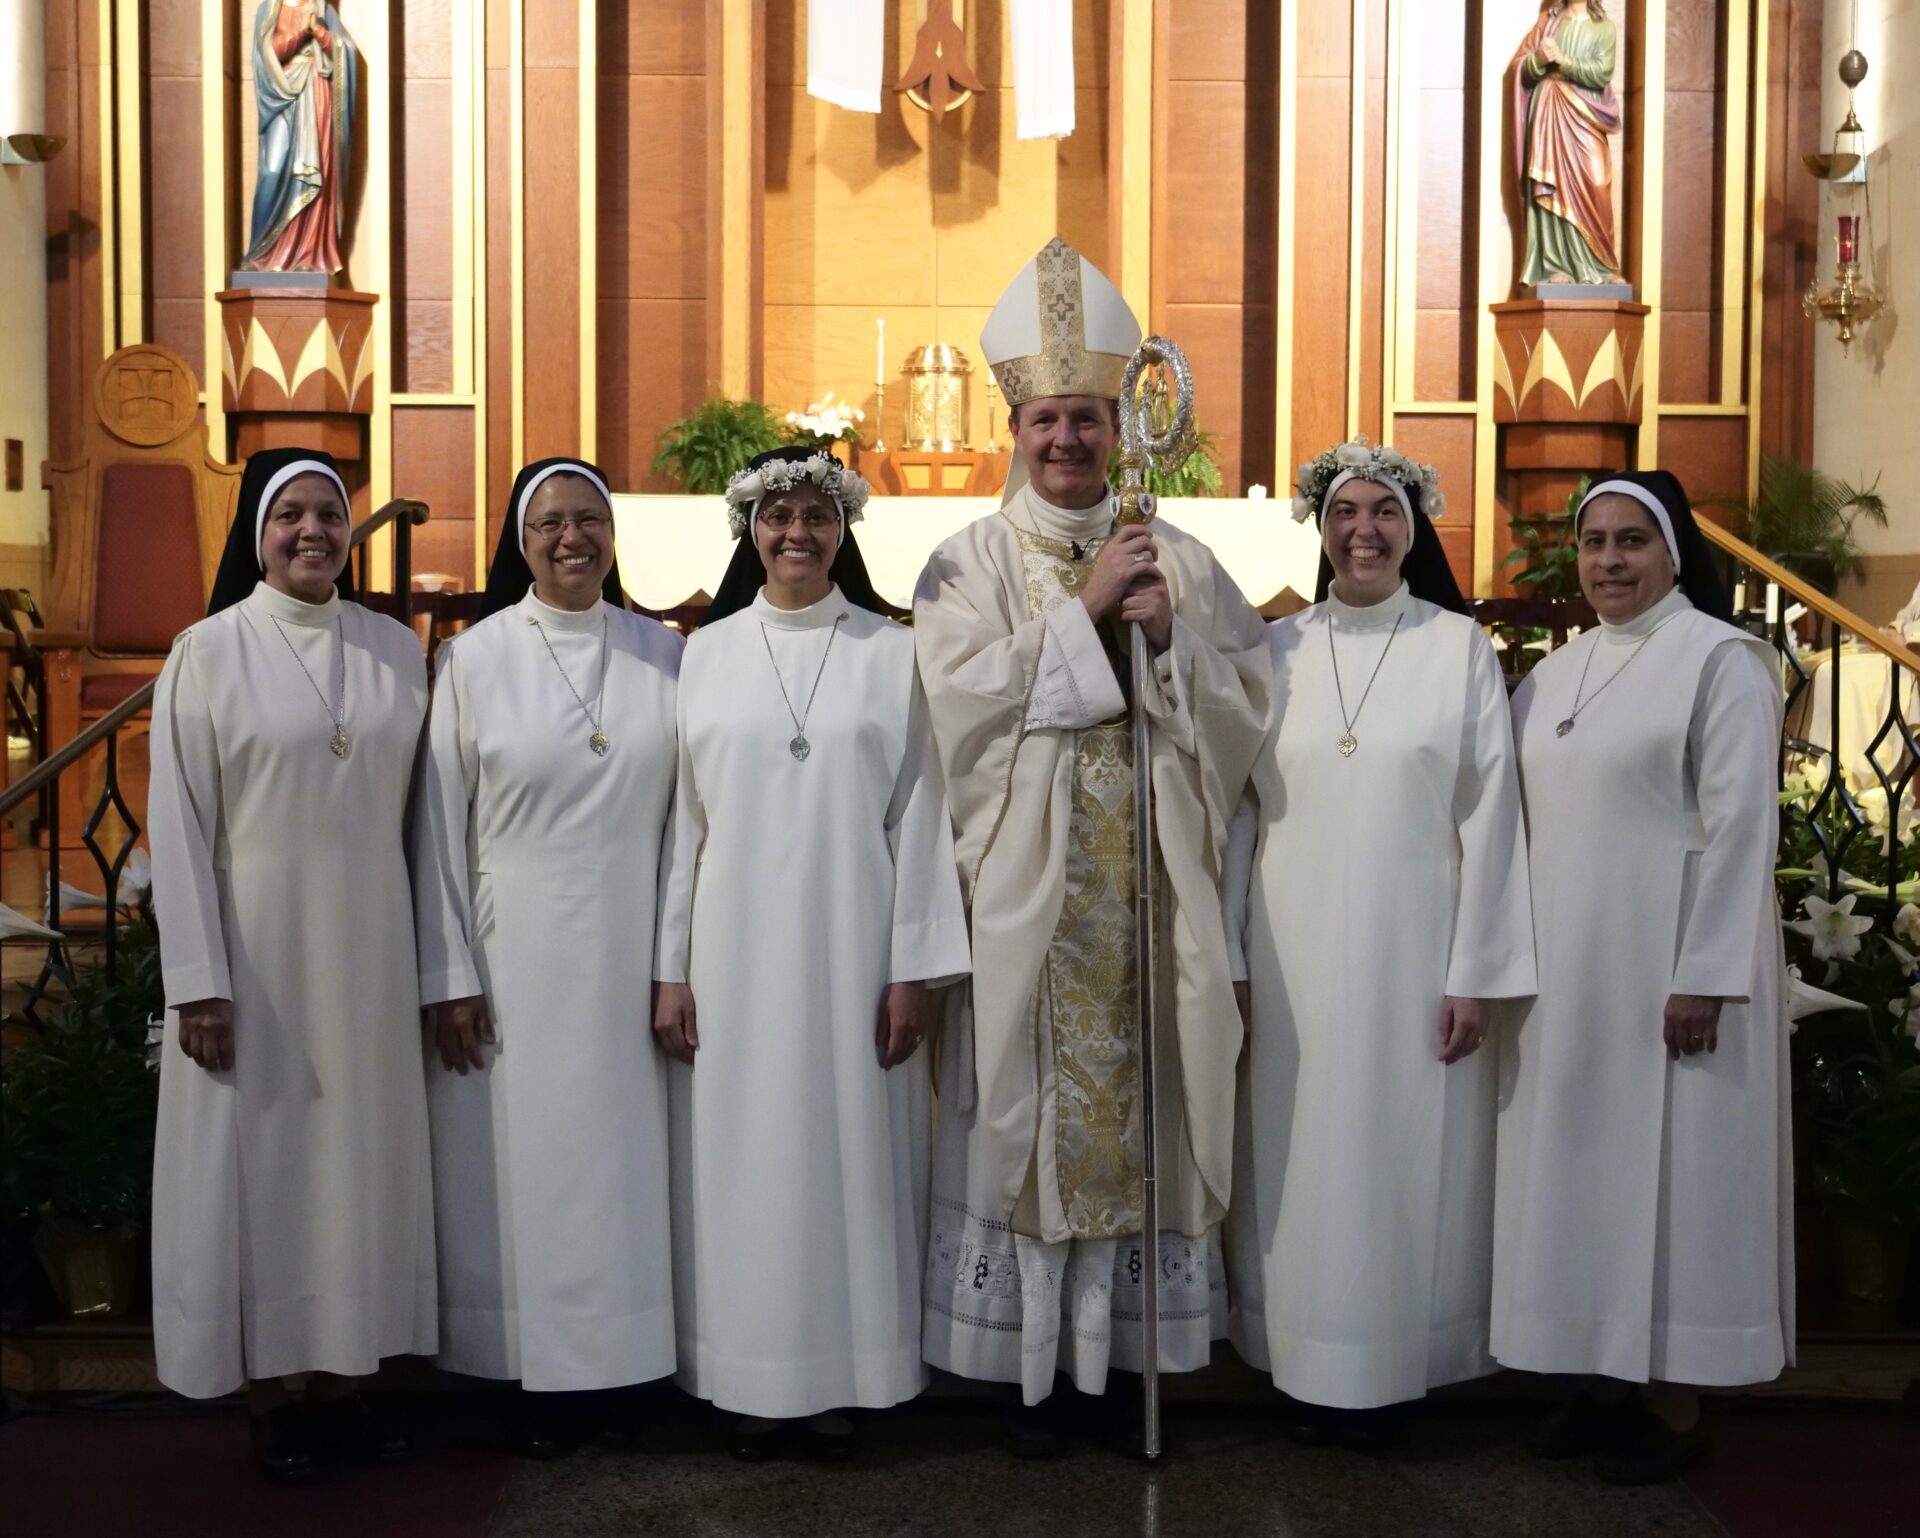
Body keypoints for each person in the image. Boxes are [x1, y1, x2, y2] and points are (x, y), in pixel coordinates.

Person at [914, 238, 1272, 1452]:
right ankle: (1027, 1377)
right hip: (1033, 899)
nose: (1067, 439)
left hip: (1150, 901)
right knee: (1027, 1118)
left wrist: (1172, 642)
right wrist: (1078, 615)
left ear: (1122, 427)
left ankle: (1118, 1365)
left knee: (1148, 1115)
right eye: (1047, 418)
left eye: (1089, 419)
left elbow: (1244, 718)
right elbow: (956, 715)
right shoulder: (963, 565)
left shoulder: (1185, 560)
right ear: (1013, 425)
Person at [654, 447, 969, 1461]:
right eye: (778, 515)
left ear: (844, 529)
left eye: (817, 515)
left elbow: (923, 816)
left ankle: (856, 1370)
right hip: (735, 956)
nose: (797, 533)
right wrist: (671, 967)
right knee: (750, 1165)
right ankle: (750, 1376)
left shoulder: (891, 651)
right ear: (750, 529)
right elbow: (682, 827)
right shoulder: (701, 654)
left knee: (851, 1160)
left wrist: (913, 966)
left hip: (855, 949)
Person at [1221, 441, 1535, 1443]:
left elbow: (1491, 816)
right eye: (1347, 512)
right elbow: (1234, 820)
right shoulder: (1275, 651)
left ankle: (1407, 1360)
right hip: (1289, 942)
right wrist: (1228, 960)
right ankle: (1301, 1354)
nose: (1365, 529)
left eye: (1385, 512)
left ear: (1414, 528)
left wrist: (1478, 971)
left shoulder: (1457, 649)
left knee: (1407, 1144)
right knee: (1297, 1144)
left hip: (1418, 941)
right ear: (1321, 527)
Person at [1493, 470, 1794, 1483]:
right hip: (1572, 972)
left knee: (1675, 1181)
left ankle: (1674, 1401)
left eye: (1631, 541)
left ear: (1673, 556)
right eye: (1593, 542)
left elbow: (1744, 821)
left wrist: (1706, 971)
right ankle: (1593, 1378)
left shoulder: (1722, 659)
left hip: (1672, 962)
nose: (1609, 561)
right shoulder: (1554, 669)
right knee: (1582, 1171)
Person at [148, 448, 435, 1482]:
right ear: (258, 534)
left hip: (369, 952)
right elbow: (176, 828)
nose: (314, 531)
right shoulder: (208, 650)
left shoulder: (396, 650)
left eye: (330, 515)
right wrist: (197, 978)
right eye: (292, 516)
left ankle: (348, 1381)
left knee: (355, 1165)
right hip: (254, 955)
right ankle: (273, 1393)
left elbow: (425, 822)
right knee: (268, 1171)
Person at [412, 457, 680, 1456]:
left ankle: (630, 1367)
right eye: (549, 525)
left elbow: (694, 826)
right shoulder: (472, 659)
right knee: (529, 1170)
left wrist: (679, 961)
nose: (572, 539)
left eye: (589, 521)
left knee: (622, 1166)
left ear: (614, 533)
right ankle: (527, 1375)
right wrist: (450, 975)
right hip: (511, 950)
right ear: (520, 543)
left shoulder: (666, 653)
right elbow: (437, 830)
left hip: (633, 948)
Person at [1510, 0, 1623, 287]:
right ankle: (1553, 264)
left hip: (1586, 115)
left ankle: (1601, 266)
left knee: (1596, 181)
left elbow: (1601, 73)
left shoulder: (1604, 28)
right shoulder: (1548, 23)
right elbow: (1521, 68)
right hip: (1549, 112)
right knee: (1553, 184)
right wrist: (1538, 60)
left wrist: (1563, 61)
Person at [242, 1, 358, 273]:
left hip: (317, 90)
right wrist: (300, 33)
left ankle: (309, 256)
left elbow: (346, 55)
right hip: (282, 95)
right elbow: (267, 55)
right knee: (272, 170)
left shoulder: (323, 10)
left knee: (317, 171)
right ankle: (261, 254)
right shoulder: (270, 8)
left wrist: (317, 30)